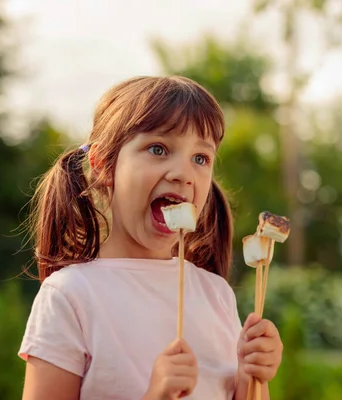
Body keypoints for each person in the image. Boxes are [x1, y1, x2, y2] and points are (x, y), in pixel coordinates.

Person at [18, 76, 283, 400]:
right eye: (158, 149)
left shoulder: (215, 294)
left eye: (200, 158)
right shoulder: (70, 296)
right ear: (104, 166)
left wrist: (251, 376)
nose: (183, 173)